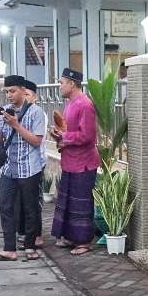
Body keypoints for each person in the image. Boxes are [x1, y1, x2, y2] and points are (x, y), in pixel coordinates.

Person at [0, 75, 45, 262]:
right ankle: (9, 248)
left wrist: (16, 125)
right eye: (6, 92)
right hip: (9, 168)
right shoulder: (4, 111)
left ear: (23, 90)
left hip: (29, 167)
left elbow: (36, 141)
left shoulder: (36, 112)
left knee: (30, 208)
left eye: (13, 91)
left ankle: (30, 246)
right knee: (4, 206)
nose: (9, 95)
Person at [50, 68, 99, 256]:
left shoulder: (85, 104)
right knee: (69, 202)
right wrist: (59, 136)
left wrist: (64, 136)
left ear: (72, 83)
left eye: (62, 82)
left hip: (83, 163)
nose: (59, 86)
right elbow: (68, 130)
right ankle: (71, 236)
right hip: (70, 161)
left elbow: (88, 136)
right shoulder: (71, 103)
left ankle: (84, 242)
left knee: (81, 203)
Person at [18, 79, 47, 249]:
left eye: (27, 95)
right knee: (22, 201)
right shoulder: (19, 112)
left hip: (37, 162)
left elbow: (36, 140)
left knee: (35, 200)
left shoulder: (38, 114)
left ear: (34, 98)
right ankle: (25, 232)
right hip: (22, 164)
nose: (24, 98)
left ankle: (37, 234)